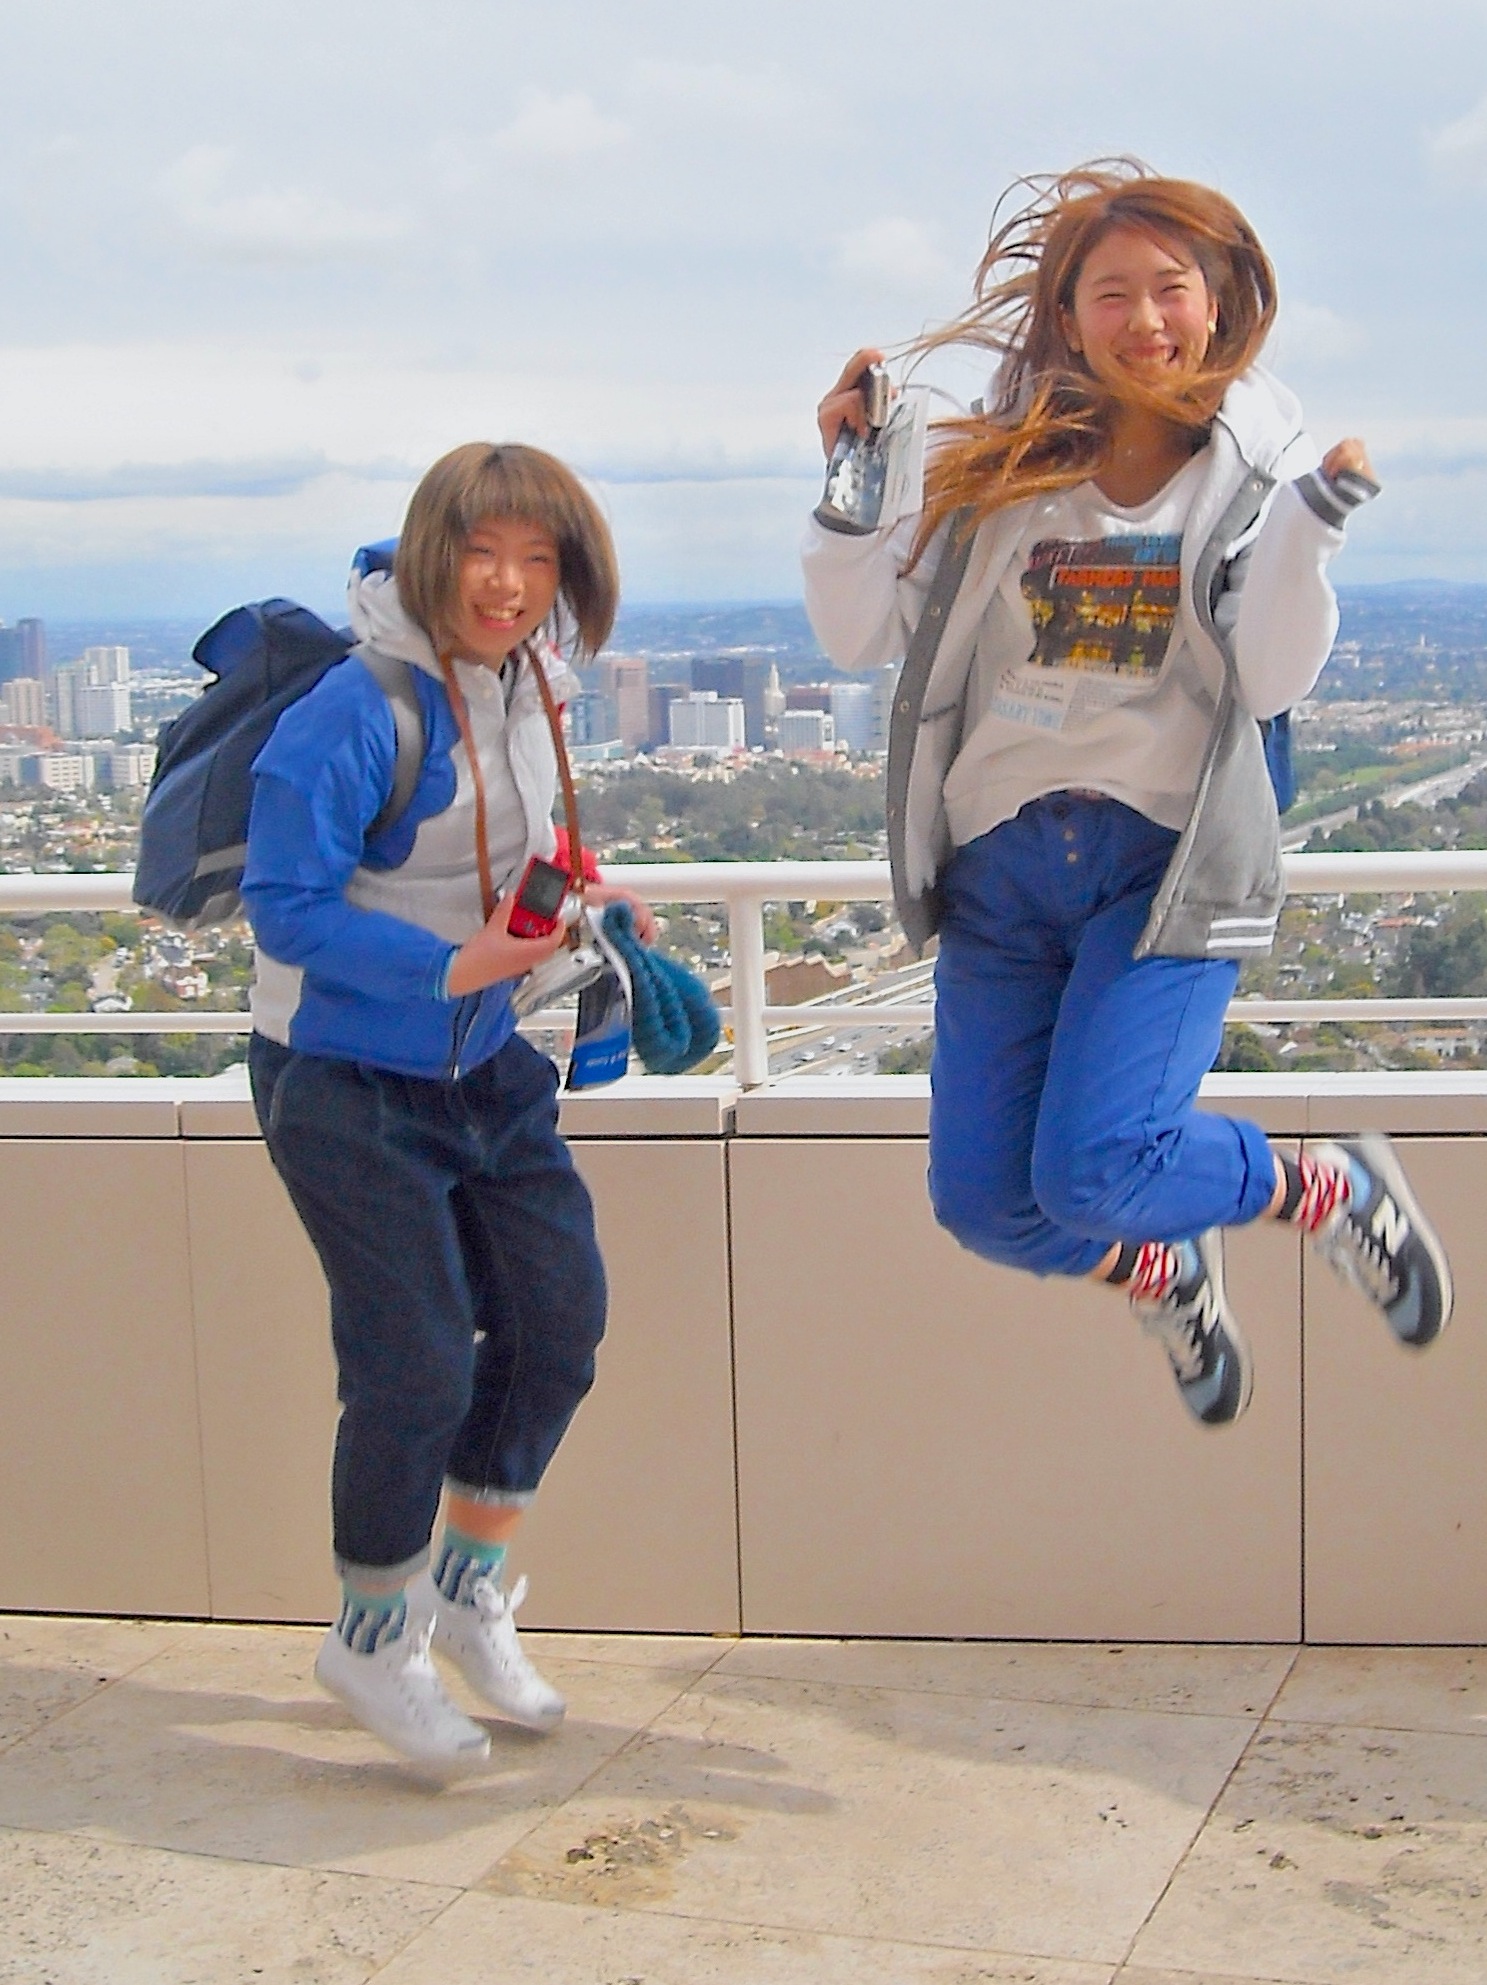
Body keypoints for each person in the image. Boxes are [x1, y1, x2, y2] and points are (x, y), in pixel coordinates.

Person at [802, 161, 1452, 1427]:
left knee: (1096, 1162)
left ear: (1218, 304)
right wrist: (847, 479)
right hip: (1000, 868)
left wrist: (1312, 524)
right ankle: (1155, 1268)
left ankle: (1328, 1190)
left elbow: (1267, 671)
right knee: (986, 1201)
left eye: (1171, 288)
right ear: (1063, 313)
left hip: (1159, 872)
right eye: (1111, 293)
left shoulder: (1254, 472)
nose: (1145, 319)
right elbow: (851, 631)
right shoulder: (995, 469)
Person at [242, 442, 655, 1771]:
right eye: (486, 550)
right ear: (432, 548)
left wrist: (591, 912)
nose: (510, 581)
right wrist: (444, 965)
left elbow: (517, 852)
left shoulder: (532, 680)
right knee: (415, 1359)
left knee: (555, 1322)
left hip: (487, 1060)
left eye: (540, 559)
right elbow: (283, 905)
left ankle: (466, 1592)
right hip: (347, 1076)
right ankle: (370, 1635)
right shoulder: (355, 708)